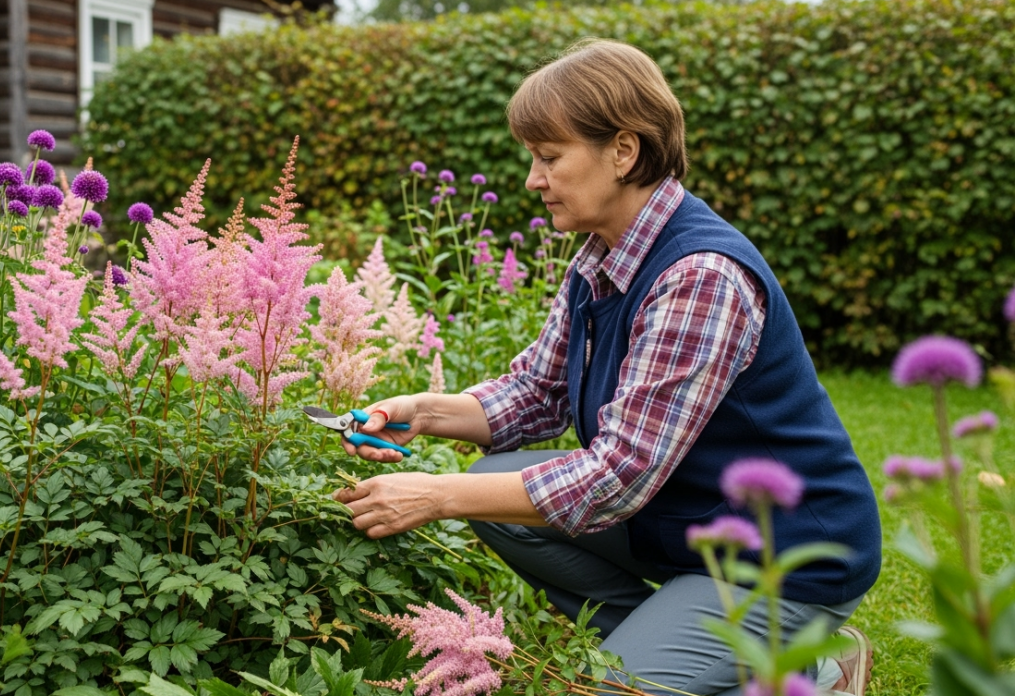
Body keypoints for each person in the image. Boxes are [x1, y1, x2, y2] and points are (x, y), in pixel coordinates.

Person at [333, 38, 880, 696]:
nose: (532, 179)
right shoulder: (600, 259)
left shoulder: (700, 277)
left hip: (780, 559)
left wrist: (434, 496)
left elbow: (617, 477)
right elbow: (534, 394)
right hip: (689, 525)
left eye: (548, 157)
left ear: (623, 151)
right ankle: (682, 650)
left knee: (611, 686)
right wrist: (418, 413)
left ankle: (812, 673)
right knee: (496, 491)